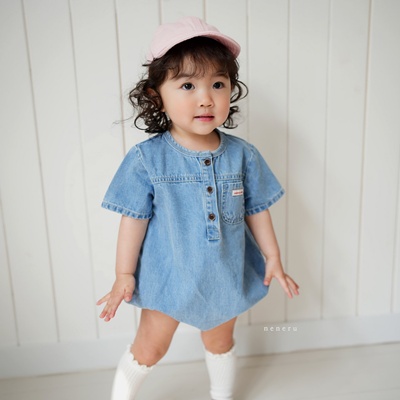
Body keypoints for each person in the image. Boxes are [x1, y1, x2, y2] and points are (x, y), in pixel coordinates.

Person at [96, 16, 299, 400]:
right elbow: (133, 220)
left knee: (220, 342)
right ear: (157, 96)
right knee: (150, 347)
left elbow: (257, 209)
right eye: (188, 85)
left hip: (224, 274)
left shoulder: (242, 155)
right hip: (168, 277)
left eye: (217, 84)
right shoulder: (147, 159)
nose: (206, 98)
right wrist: (124, 273)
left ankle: (221, 396)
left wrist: (273, 257)